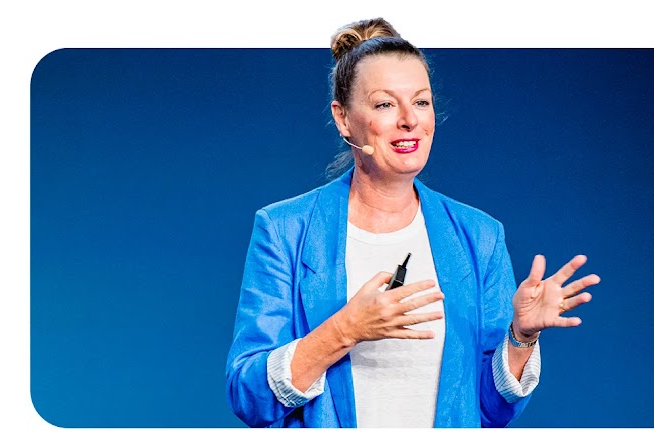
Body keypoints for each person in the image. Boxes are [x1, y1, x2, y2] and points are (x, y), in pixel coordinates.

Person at [225, 17, 600, 428]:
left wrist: (521, 336)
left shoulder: (480, 236)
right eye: (386, 104)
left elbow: (491, 412)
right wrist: (344, 330)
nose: (409, 120)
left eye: (421, 102)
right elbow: (249, 396)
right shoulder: (284, 230)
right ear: (343, 117)